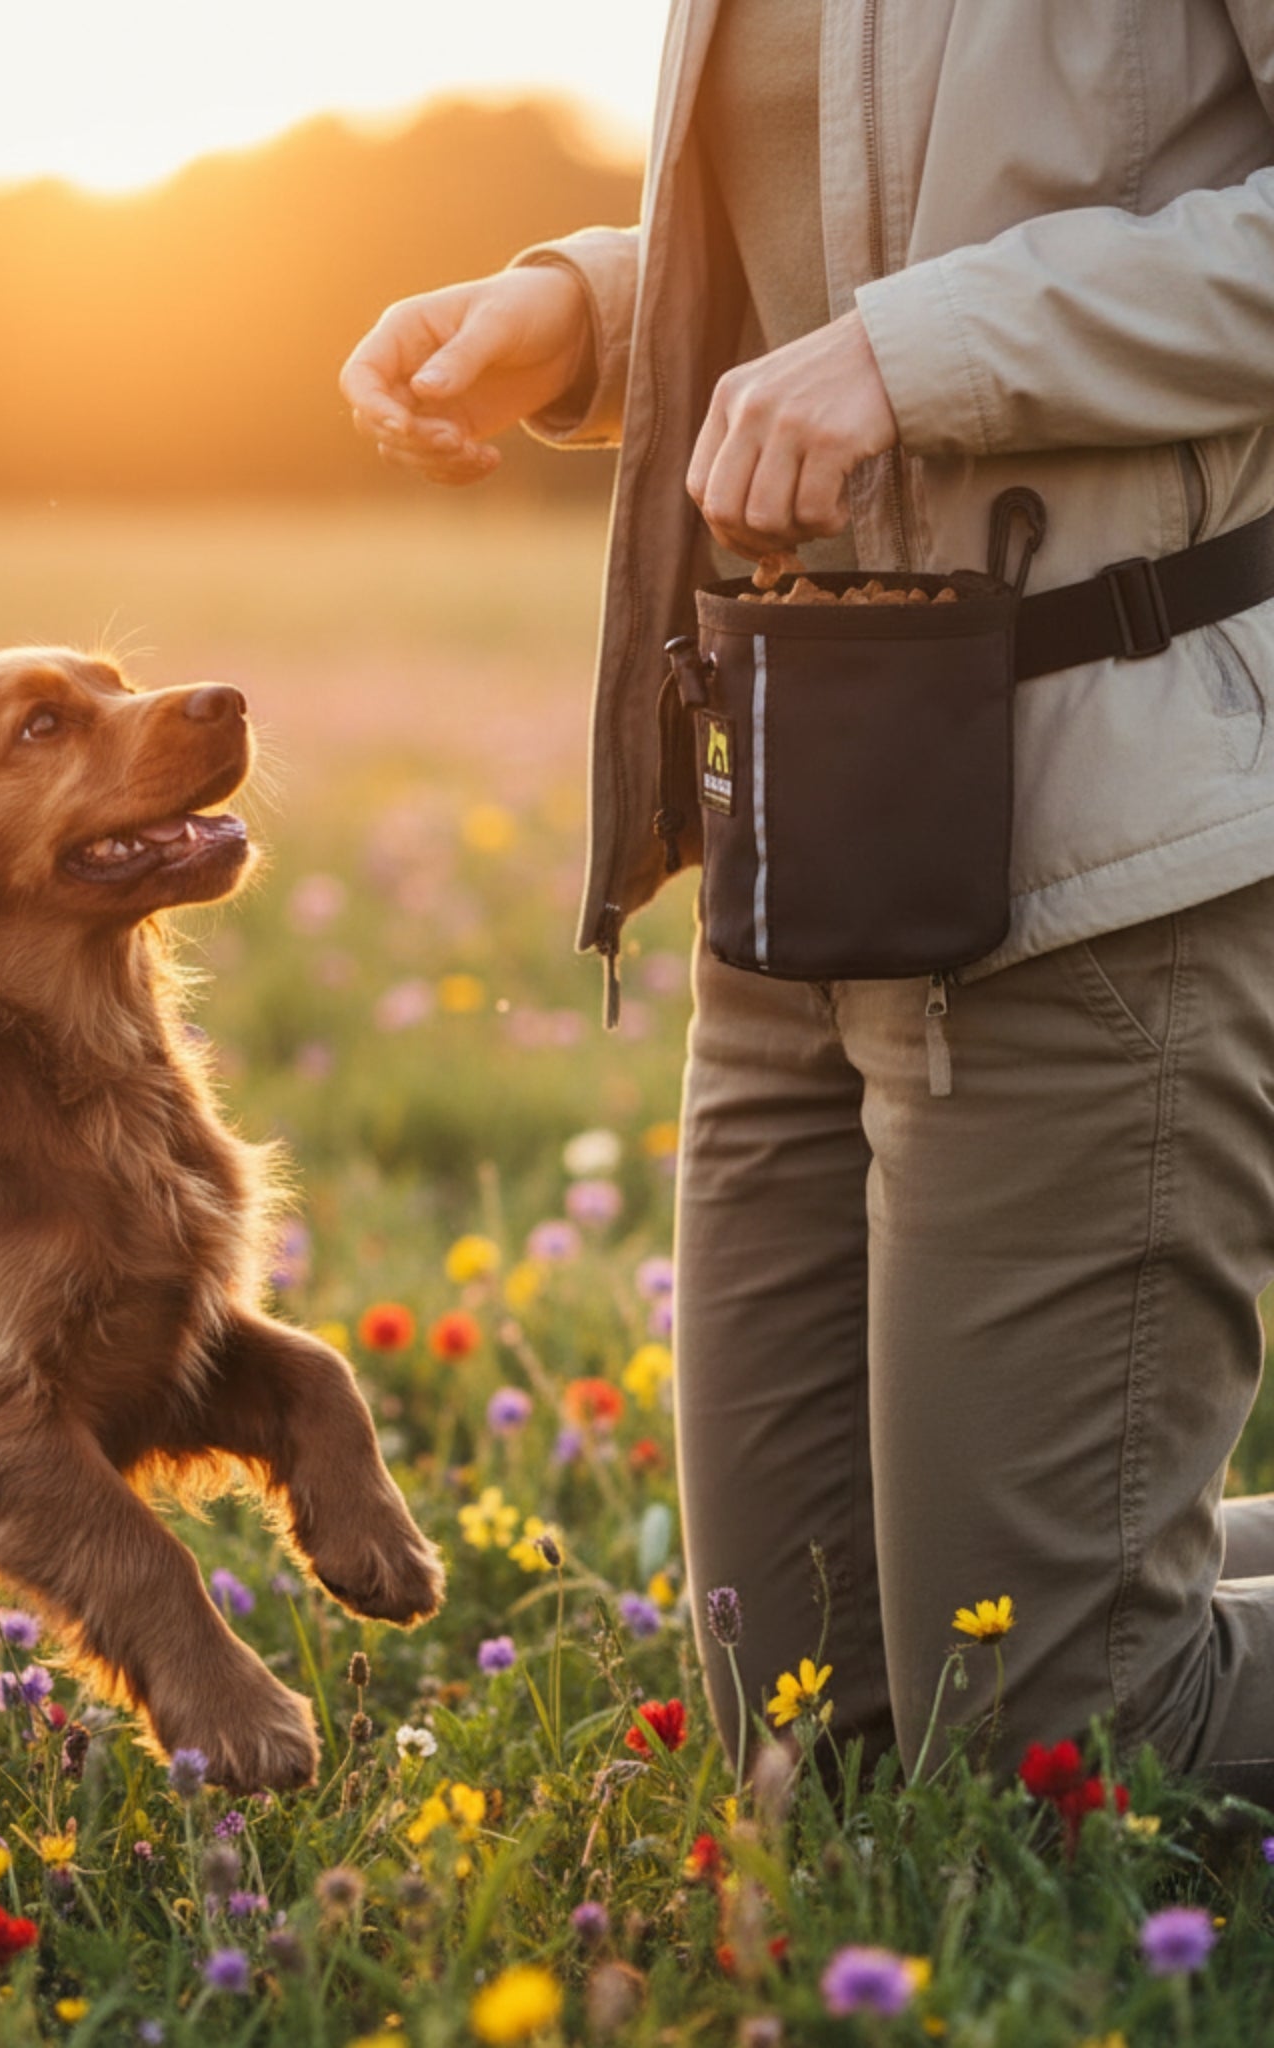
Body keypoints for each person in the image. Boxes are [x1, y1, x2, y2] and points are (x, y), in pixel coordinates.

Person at [342, 3, 1274, 1805]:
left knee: (1058, 1755)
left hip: (1101, 848)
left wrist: (921, 358)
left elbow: (911, 326)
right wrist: (592, 314)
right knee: (810, 1746)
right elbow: (832, 249)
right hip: (811, 825)